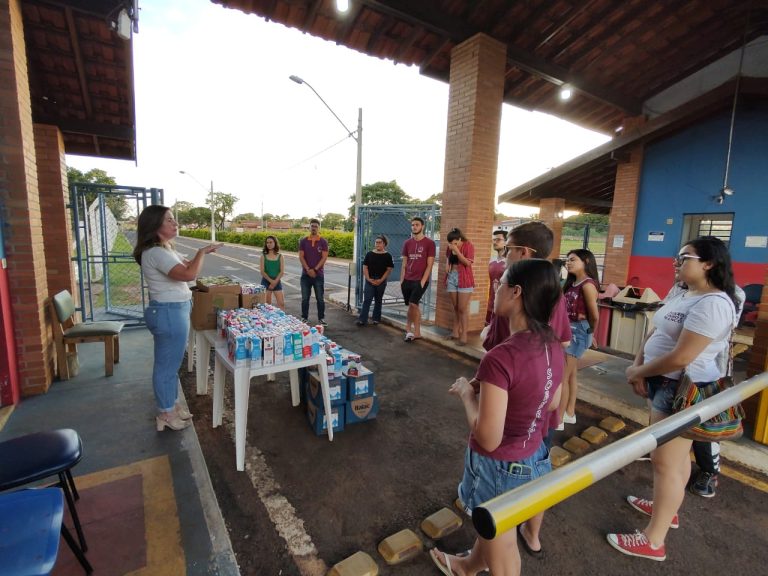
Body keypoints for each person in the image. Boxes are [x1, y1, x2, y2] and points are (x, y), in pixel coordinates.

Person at [607, 236, 739, 561]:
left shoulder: (713, 303)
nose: (677, 262)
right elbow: (655, 330)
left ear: (709, 263)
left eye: (685, 256)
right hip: (662, 382)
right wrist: (638, 366)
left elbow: (682, 357)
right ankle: (667, 509)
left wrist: (638, 372)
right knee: (676, 461)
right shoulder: (684, 292)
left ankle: (654, 541)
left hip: (680, 389)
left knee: (664, 462)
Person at [430, 259, 564, 576]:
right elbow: (553, 402)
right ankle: (468, 566)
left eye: (501, 282)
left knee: (503, 552)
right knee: (492, 527)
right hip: (534, 456)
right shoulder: (552, 342)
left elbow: (488, 438)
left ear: (516, 292)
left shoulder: (501, 357)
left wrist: (467, 393)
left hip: (500, 467)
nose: (495, 287)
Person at [478, 221, 572, 556]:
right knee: (531, 468)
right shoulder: (539, 293)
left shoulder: (530, 292)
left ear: (523, 252)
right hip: (526, 397)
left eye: (507, 249)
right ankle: (520, 537)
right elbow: (560, 347)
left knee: (505, 491)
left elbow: (487, 439)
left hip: (519, 404)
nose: (503, 255)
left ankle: (523, 534)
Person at [132, 205, 221, 432]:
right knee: (166, 366)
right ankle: (165, 413)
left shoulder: (166, 249)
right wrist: (202, 252)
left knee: (172, 364)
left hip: (175, 311)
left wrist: (200, 255)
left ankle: (171, 404)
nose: (175, 223)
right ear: (155, 225)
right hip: (168, 313)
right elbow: (190, 273)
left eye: (174, 219)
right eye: (169, 220)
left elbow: (188, 265)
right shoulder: (155, 252)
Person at [664, 272, 745, 499]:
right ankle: (673, 466)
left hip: (707, 371)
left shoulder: (731, 294)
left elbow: (714, 329)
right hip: (674, 371)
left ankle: (709, 471)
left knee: (706, 426)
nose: (678, 265)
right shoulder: (680, 289)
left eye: (685, 259)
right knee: (675, 429)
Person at [559, 249, 600, 426]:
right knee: (570, 375)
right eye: (567, 260)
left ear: (586, 262)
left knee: (562, 377)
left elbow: (594, 316)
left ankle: (558, 419)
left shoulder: (587, 285)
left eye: (572, 260)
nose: (568, 263)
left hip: (578, 332)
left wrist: (591, 334)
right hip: (570, 330)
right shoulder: (572, 283)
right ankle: (569, 412)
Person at [400, 216, 436, 342]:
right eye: (413, 225)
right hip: (407, 279)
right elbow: (404, 263)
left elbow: (430, 264)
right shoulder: (407, 243)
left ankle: (412, 330)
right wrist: (402, 280)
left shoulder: (430, 243)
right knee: (412, 306)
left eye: (417, 225)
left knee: (413, 304)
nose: (414, 227)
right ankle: (413, 331)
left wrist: (422, 281)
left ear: (422, 226)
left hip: (420, 280)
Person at [444, 228, 475, 346]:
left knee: (462, 308)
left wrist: (457, 250)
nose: (453, 245)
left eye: (455, 243)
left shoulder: (468, 246)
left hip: (465, 279)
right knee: (456, 307)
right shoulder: (450, 247)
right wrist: (447, 265)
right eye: (451, 243)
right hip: (452, 277)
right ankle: (455, 333)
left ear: (460, 239)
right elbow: (448, 258)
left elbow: (467, 263)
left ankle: (464, 335)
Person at [357, 235, 394, 326]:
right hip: (370, 280)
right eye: (376, 242)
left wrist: (381, 280)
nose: (377, 244)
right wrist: (368, 278)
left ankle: (376, 319)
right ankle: (362, 320)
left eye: (379, 242)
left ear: (384, 244)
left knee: (378, 300)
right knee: (367, 300)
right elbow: (365, 267)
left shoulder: (388, 256)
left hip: (381, 282)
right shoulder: (369, 254)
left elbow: (389, 269)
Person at [298, 218, 329, 325]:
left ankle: (321, 319)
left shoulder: (323, 242)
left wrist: (315, 270)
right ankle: (304, 318)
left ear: (319, 228)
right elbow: (301, 257)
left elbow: (324, 258)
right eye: (312, 226)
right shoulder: (303, 241)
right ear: (309, 227)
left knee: (320, 298)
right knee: (305, 298)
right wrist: (308, 269)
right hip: (305, 275)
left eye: (316, 226)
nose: (314, 228)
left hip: (318, 275)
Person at [486, 229, 507, 325]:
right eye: (494, 240)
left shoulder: (510, 262)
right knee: (488, 328)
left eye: (498, 240)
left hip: (504, 304)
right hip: (491, 302)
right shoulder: (491, 261)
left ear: (506, 242)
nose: (495, 242)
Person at [260, 235, 285, 310]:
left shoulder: (280, 256)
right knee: (267, 305)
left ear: (275, 243)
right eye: (267, 242)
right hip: (266, 281)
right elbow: (262, 272)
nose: (269, 244)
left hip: (277, 280)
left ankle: (282, 317)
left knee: (281, 303)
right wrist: (271, 281)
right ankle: (269, 317)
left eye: (271, 242)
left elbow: (282, 272)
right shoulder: (263, 256)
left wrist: (274, 282)